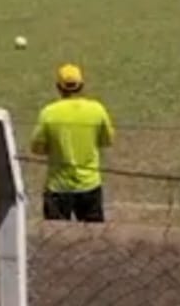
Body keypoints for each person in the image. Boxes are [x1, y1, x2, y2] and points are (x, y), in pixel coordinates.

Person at [30, 64, 116, 223]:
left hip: (58, 187)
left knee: (55, 240)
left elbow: (37, 148)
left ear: (58, 87)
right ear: (82, 86)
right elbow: (107, 140)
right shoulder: (97, 110)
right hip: (90, 185)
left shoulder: (49, 113)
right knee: (93, 238)